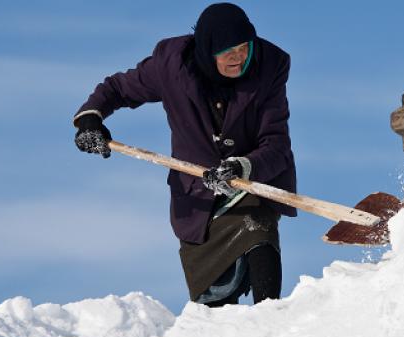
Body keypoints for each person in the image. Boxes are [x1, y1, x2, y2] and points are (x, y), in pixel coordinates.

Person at [72, 3, 296, 308]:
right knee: (215, 302)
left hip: (251, 180)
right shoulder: (171, 65)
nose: (239, 57)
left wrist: (243, 167)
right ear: (207, 49)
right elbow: (118, 88)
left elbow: (276, 143)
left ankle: (269, 317)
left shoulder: (269, 66)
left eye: (244, 48)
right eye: (229, 51)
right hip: (196, 195)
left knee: (259, 231)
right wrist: (91, 118)